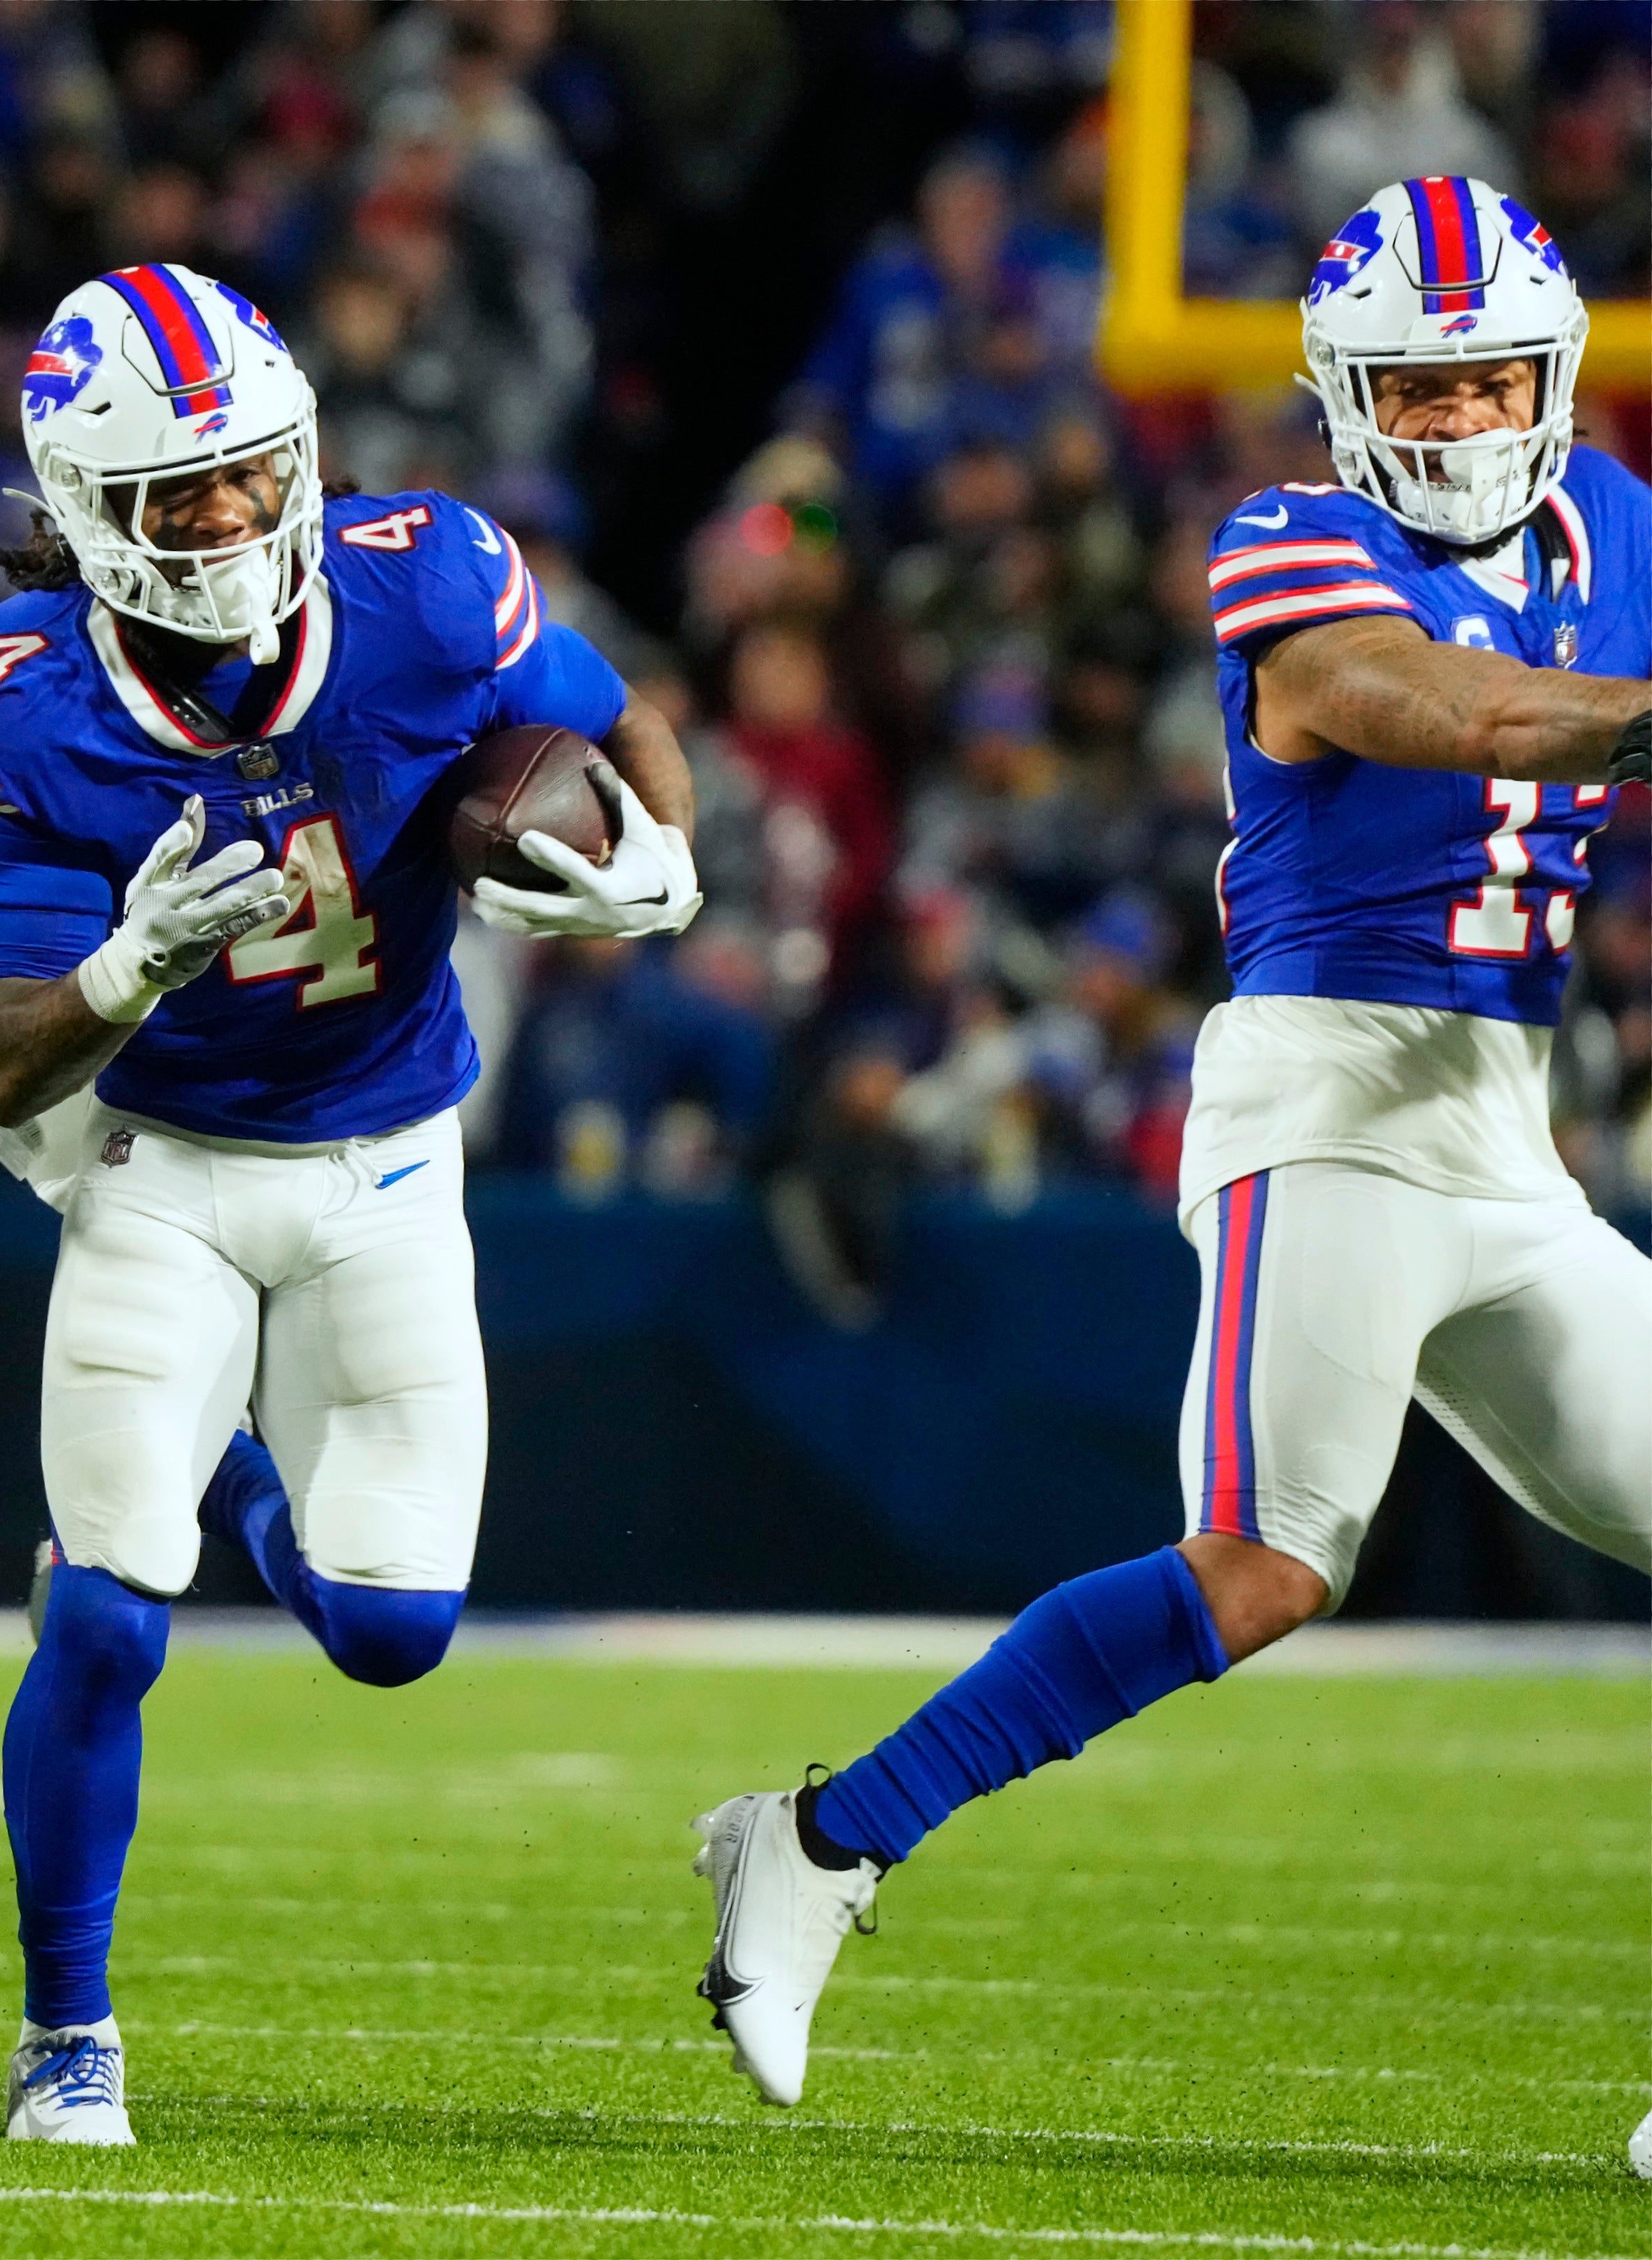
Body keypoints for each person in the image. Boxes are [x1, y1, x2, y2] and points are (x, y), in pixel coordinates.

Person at [686, 179, 1652, 2166]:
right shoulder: (1288, 538)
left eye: (1489, 379)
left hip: (1498, 1118)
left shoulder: (1621, 530)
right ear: (1341, 395)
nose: (1460, 421)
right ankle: (809, 1844)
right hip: (1322, 1102)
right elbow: (1448, 712)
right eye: (1418, 385)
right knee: (1264, 1561)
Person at [0, 263, 702, 2143]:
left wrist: (664, 862)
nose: (223, 518)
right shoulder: (19, 698)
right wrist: (121, 972)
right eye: (172, 493)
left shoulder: (425, 579)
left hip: (382, 1161)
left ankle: (243, 1479)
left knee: (389, 1628)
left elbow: (619, 713)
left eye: (246, 473)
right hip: (156, 1171)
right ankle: (63, 2037)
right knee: (106, 1621)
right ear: (83, 508)